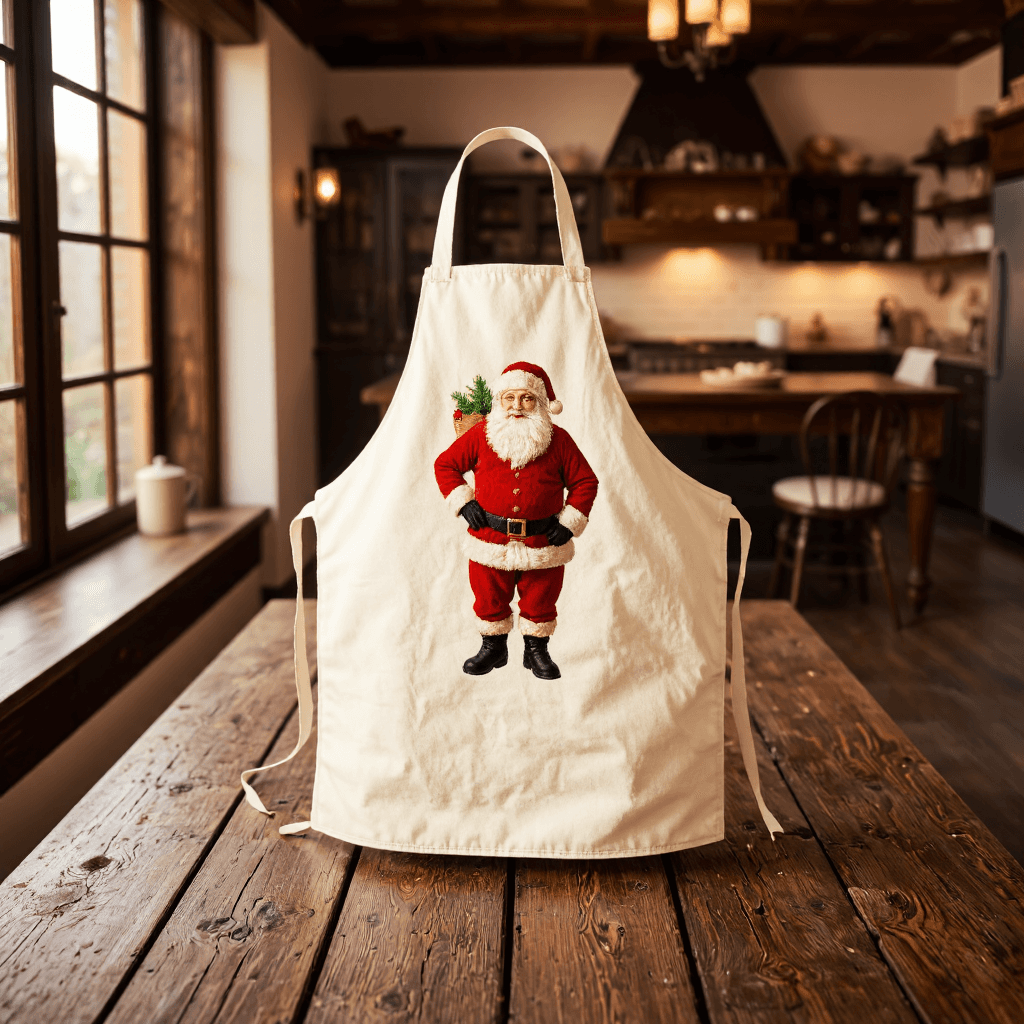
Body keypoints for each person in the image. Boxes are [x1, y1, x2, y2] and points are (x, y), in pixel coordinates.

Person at [434, 362, 599, 679]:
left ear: (539, 404)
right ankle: (492, 646)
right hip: (489, 539)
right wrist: (463, 501)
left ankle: (536, 651)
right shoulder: (482, 436)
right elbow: (445, 465)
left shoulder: (559, 440)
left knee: (541, 597)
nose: (517, 406)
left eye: (526, 399)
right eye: (509, 398)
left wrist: (569, 523)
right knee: (488, 594)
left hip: (542, 541)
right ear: (499, 401)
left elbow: (585, 482)